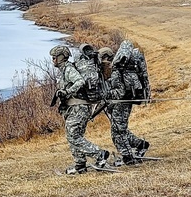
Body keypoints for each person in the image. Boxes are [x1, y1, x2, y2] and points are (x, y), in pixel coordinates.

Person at [50, 45, 111, 174]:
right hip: (76, 108)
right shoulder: (65, 70)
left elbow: (80, 82)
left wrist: (67, 92)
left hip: (78, 107)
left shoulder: (68, 69)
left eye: (54, 57)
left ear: (61, 57)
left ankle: (99, 154)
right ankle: (80, 165)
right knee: (74, 136)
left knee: (73, 137)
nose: (53, 60)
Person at [98, 46, 150, 166]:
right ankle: (141, 145)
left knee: (118, 132)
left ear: (106, 58)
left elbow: (119, 92)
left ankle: (128, 157)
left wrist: (105, 94)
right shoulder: (117, 69)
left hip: (121, 104)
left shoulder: (115, 70)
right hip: (121, 103)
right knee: (120, 130)